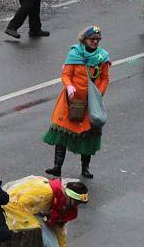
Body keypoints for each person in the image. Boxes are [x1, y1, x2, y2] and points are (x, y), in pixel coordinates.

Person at [43, 26, 110, 179]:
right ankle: (57, 167)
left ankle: (85, 168)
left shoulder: (102, 57)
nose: (95, 42)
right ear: (84, 39)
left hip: (90, 103)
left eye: (97, 39)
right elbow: (66, 75)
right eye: (92, 39)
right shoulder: (74, 53)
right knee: (62, 133)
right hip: (70, 101)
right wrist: (69, 86)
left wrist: (98, 94)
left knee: (88, 134)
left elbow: (105, 78)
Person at [1, 176, 88, 247]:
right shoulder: (47, 192)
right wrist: (28, 224)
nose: (76, 206)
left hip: (33, 211)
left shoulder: (63, 204)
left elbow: (60, 228)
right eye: (76, 202)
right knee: (34, 233)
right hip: (15, 206)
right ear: (68, 196)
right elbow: (18, 203)